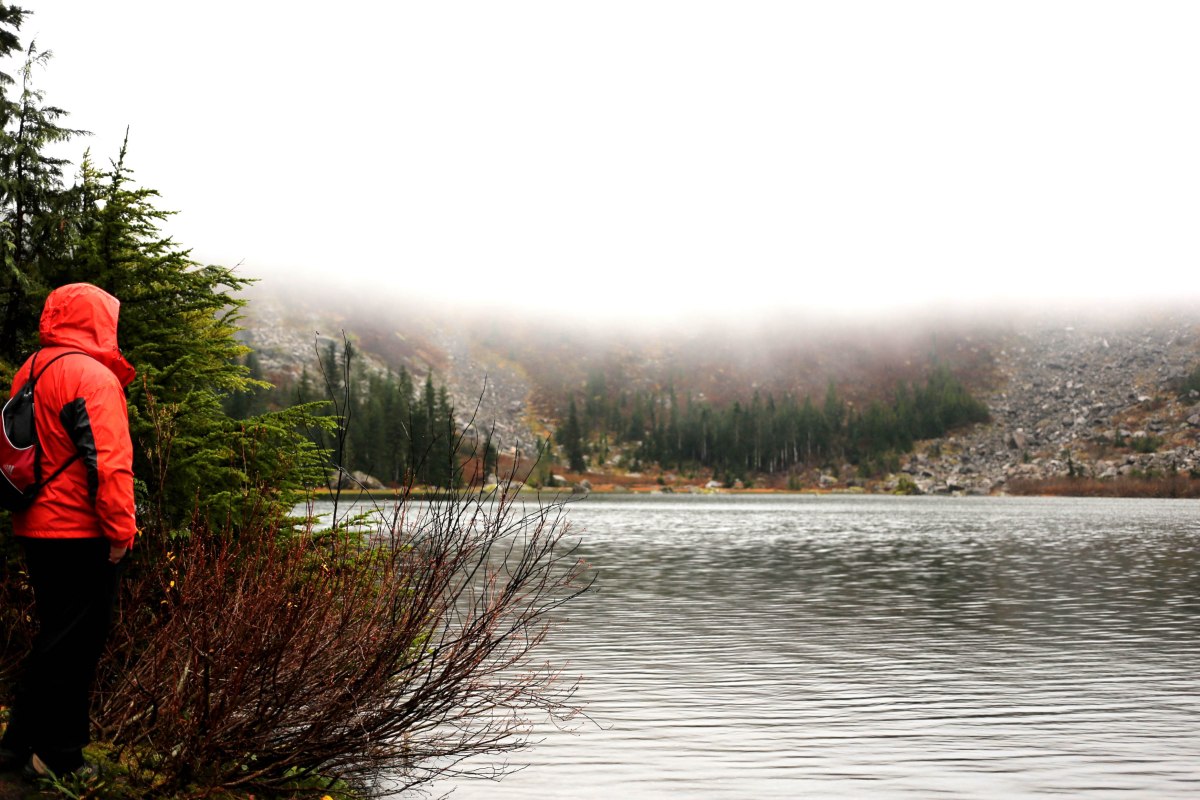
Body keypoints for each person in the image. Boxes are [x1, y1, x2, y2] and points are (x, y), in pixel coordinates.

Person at [0, 283, 137, 780]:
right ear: (98, 320)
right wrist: (121, 532)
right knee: (77, 645)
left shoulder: (31, 369)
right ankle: (59, 757)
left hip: (33, 524)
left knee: (54, 636)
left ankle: (18, 744)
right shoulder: (94, 377)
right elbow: (110, 465)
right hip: (80, 531)